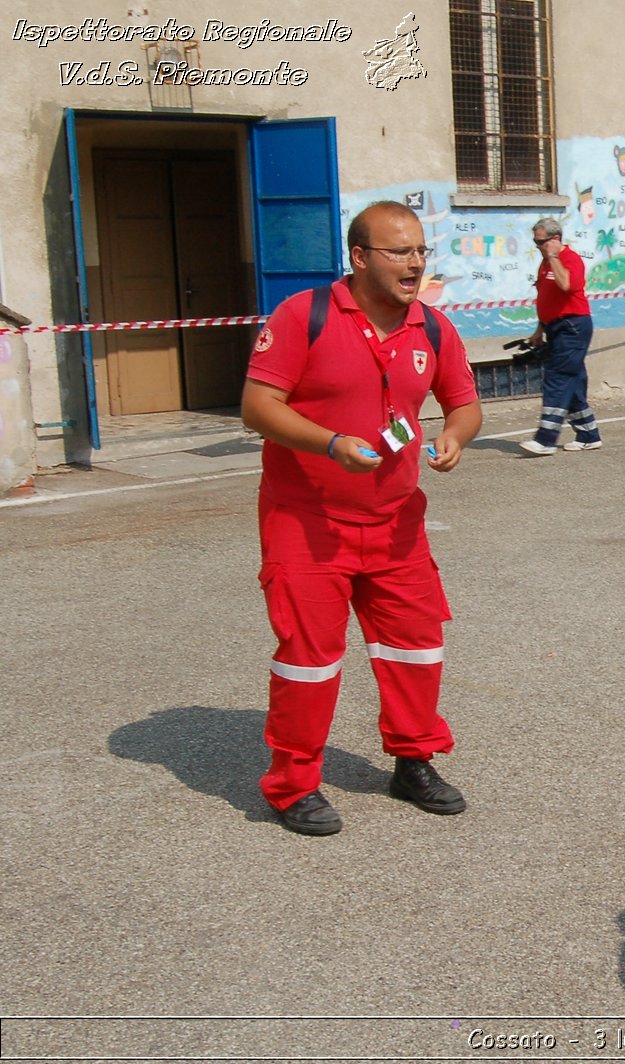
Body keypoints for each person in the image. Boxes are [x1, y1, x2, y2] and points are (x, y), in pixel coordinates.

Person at [241, 200, 483, 836]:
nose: (414, 263)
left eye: (420, 251)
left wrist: (456, 437)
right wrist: (328, 443)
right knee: (309, 657)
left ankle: (413, 760)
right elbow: (257, 406)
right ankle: (293, 785)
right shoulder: (304, 316)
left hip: (397, 522)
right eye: (399, 252)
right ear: (359, 257)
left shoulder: (431, 328)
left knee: (416, 645)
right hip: (307, 521)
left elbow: (464, 403)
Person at [519, 218, 602, 456]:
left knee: (557, 378)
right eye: (535, 242)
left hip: (573, 326)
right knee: (572, 380)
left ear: (555, 239)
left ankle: (545, 439)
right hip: (555, 327)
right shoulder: (545, 263)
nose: (537, 246)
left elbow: (566, 285)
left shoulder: (569, 260)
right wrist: (539, 330)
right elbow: (547, 298)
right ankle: (588, 434)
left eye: (541, 242)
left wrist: (554, 256)